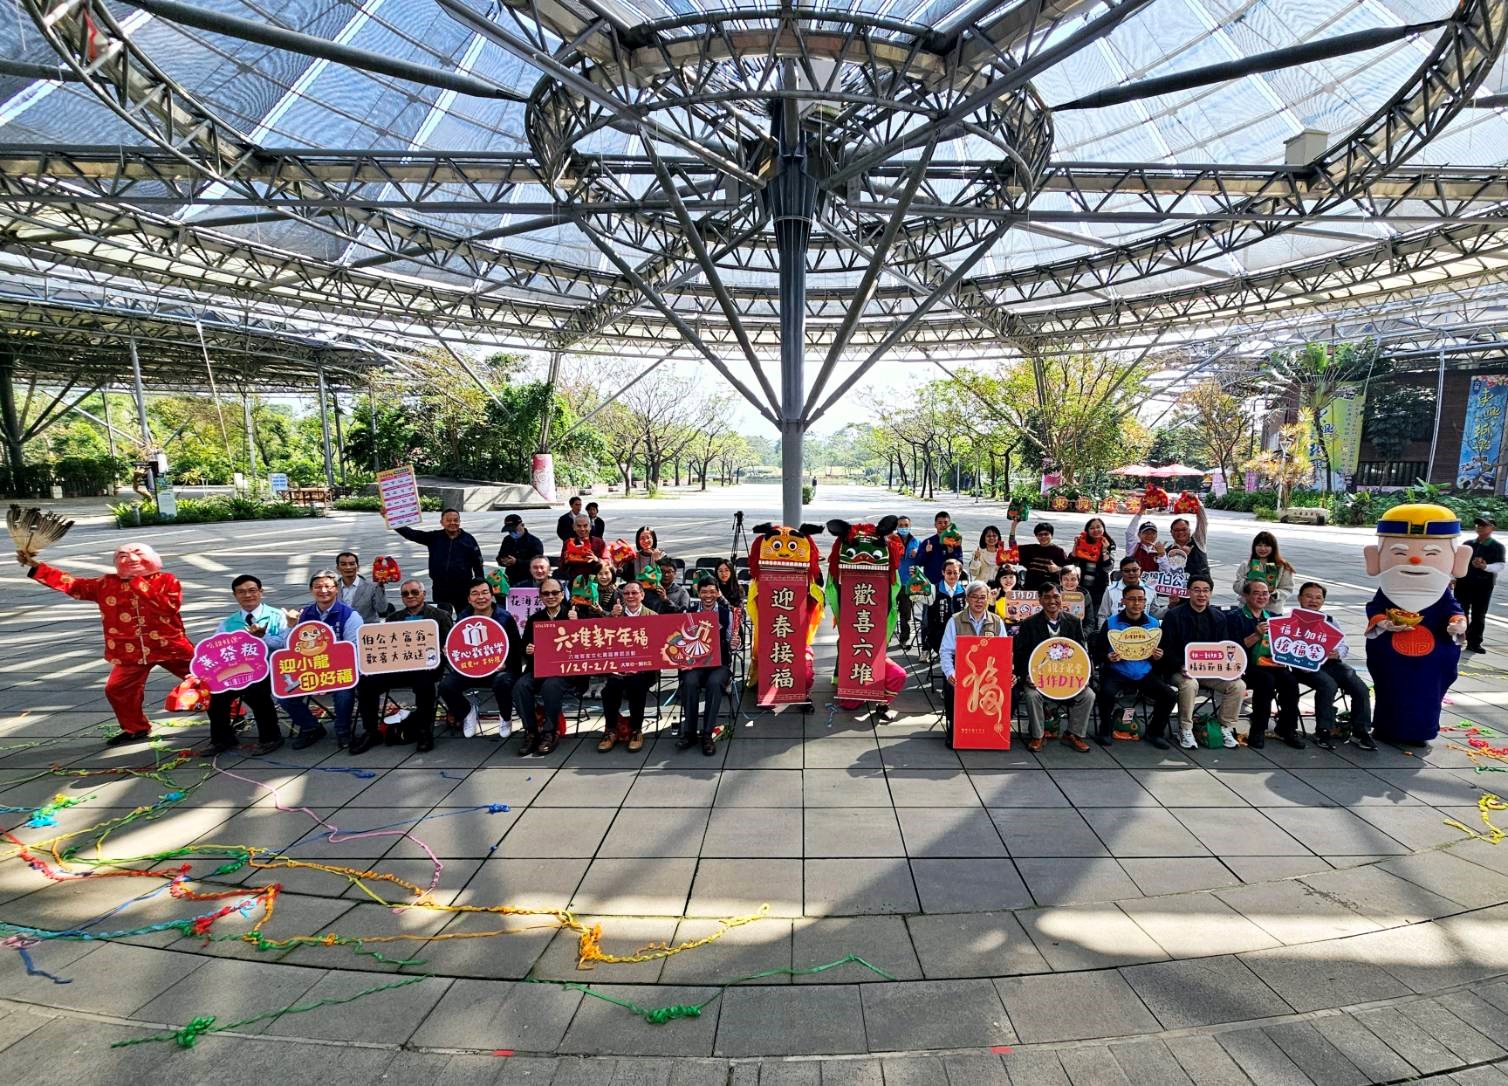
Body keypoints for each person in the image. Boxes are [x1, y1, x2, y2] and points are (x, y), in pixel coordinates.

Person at [18, 542, 194, 747]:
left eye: (138, 553)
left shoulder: (167, 580)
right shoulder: (106, 583)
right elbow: (73, 585)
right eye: (122, 556)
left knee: (208, 676)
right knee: (117, 688)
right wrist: (36, 566)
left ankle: (233, 713)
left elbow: (168, 607)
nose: (129, 558)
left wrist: (137, 582)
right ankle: (135, 727)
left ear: (154, 558)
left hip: (170, 646)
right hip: (129, 652)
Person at [1364, 503, 1470, 745]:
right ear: (1374, 557)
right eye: (1399, 553)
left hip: (1431, 658)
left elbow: (1454, 612)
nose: (1414, 558)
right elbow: (1375, 609)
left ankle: (1421, 731)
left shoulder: (1442, 594)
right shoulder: (1388, 590)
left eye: (1431, 553)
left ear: (1459, 559)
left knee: (1427, 694)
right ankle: (1384, 728)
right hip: (1392, 654)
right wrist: (1385, 623)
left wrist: (1458, 624)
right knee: (1390, 690)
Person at [352, 580, 452, 754]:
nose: (410, 596)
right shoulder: (394, 618)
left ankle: (424, 731)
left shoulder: (440, 615)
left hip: (427, 668)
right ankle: (371, 731)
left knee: (425, 685)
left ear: (423, 594)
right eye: (405, 594)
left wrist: (442, 651)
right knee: (367, 683)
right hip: (399, 667)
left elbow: (449, 644)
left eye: (414, 592)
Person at [198, 574, 288, 757]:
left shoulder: (278, 616)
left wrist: (263, 638)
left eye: (252, 590)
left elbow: (285, 644)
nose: (248, 595)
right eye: (241, 592)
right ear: (235, 596)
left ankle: (271, 737)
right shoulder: (228, 623)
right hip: (238, 671)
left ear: (261, 592)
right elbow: (215, 650)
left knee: (255, 692)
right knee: (216, 695)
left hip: (271, 669)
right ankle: (222, 739)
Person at [1156, 573, 1244, 749]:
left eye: (1206, 591)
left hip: (1210, 671)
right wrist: (1180, 665)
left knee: (1238, 685)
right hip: (1179, 669)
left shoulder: (1218, 617)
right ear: (1189, 592)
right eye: (1197, 590)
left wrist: (1231, 669)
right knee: (1189, 685)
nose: (1201, 594)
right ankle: (1185, 729)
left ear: (1210, 593)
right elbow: (1166, 648)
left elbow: (1225, 649)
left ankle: (1224, 727)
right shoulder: (1174, 616)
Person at [279, 569, 364, 749]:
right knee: (283, 695)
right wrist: (290, 626)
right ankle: (311, 727)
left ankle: (343, 731)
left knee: (343, 692)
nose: (323, 591)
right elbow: (288, 646)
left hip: (339, 669)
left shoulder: (349, 615)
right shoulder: (303, 615)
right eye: (318, 587)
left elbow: (354, 649)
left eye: (328, 586)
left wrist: (329, 667)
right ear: (311, 590)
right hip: (308, 669)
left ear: (337, 589)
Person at [1292, 582, 1375, 751]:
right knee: (1328, 685)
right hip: (1305, 666)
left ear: (1323, 601)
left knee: (1359, 688)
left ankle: (1361, 731)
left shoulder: (1330, 620)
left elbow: (1343, 646)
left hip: (1332, 663)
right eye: (1309, 596)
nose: (1313, 601)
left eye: (1318, 597)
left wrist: (1336, 653)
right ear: (1300, 598)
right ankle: (1323, 730)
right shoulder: (1290, 621)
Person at [439, 578, 523, 741]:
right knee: (446, 686)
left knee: (502, 682)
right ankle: (467, 712)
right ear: (469, 598)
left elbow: (515, 649)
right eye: (475, 594)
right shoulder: (464, 617)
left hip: (500, 670)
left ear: (492, 595)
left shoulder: (505, 617)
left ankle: (505, 717)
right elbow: (457, 644)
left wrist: (506, 664)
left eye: (485, 592)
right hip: (471, 668)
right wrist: (449, 649)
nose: (480, 597)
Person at [1091, 585, 1176, 748]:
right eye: (1132, 599)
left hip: (1144, 672)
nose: (1136, 603)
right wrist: (1107, 657)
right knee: (1106, 693)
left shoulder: (1153, 624)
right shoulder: (1111, 623)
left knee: (1169, 696)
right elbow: (1097, 652)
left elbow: (1163, 651)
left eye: (1141, 599)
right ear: (1123, 601)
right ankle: (1104, 731)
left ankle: (1155, 733)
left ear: (1145, 602)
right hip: (1117, 671)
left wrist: (1159, 656)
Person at [1013, 583, 1095, 752]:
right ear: (1040, 600)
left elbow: (1082, 652)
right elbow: (1020, 655)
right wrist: (1025, 676)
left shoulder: (1073, 622)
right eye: (1047, 597)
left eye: (1056, 596)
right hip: (1040, 679)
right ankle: (1038, 736)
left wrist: (1086, 676)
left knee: (1088, 695)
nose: (1052, 601)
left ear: (1061, 598)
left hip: (1066, 678)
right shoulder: (1029, 624)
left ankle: (1073, 734)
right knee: (1031, 694)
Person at [1226, 579, 1302, 750]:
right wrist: (1256, 635)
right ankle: (1258, 730)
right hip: (1244, 666)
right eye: (1256, 593)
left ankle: (1287, 728)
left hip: (1271, 664)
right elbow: (1233, 649)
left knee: (1290, 681)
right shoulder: (1234, 618)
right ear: (1246, 596)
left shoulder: (1274, 618)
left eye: (1265, 593)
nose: (1261, 597)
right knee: (1265, 681)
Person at [512, 578, 578, 757]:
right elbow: (524, 646)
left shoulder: (572, 615)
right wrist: (528, 649)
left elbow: (586, 643)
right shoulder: (535, 619)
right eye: (546, 593)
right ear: (540, 597)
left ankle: (550, 732)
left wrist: (576, 623)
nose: (550, 596)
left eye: (555, 593)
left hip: (565, 671)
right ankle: (531, 731)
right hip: (539, 668)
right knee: (520, 686)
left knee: (551, 685)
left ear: (562, 594)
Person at [599, 580, 663, 753]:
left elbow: (658, 650)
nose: (630, 596)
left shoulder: (653, 617)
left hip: (644, 670)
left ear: (642, 595)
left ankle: (636, 730)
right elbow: (604, 644)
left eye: (634, 593)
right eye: (626, 593)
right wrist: (612, 618)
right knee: (610, 688)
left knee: (636, 684)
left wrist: (641, 665)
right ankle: (610, 730)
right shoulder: (615, 615)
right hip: (618, 670)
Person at [939, 582, 1006, 747]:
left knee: (1012, 689)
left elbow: (1004, 652)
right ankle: (954, 728)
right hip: (963, 672)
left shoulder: (997, 621)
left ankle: (994, 730)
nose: (979, 601)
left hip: (990, 674)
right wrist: (950, 673)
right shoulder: (955, 620)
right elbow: (946, 651)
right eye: (974, 597)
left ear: (988, 598)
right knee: (951, 687)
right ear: (967, 599)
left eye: (983, 597)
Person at [678, 576, 733, 755]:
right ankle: (690, 731)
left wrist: (734, 643)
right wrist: (682, 661)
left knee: (714, 683)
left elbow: (733, 642)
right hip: (695, 664)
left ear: (718, 592)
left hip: (719, 664)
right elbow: (680, 642)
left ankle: (708, 733)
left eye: (712, 591)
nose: (708, 595)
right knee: (689, 682)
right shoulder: (689, 612)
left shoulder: (727, 613)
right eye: (703, 592)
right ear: (698, 593)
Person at [394, 508, 484, 616]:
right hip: (440, 588)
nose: (452, 523)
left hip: (463, 589)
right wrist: (392, 521)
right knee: (441, 617)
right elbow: (412, 534)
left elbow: (478, 564)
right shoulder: (434, 537)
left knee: (465, 618)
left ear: (460, 521)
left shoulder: (469, 540)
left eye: (456, 520)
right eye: (448, 520)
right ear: (442, 522)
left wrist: (481, 585)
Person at [1458, 515, 1504, 654]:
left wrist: (1485, 567)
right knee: (1460, 612)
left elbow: (1500, 565)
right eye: (1478, 525)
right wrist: (1454, 577)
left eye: (1484, 525)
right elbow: (1459, 562)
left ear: (1492, 528)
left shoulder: (1497, 547)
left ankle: (1474, 642)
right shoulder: (1468, 544)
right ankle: (1457, 639)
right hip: (1464, 583)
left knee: (1479, 614)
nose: (1480, 528)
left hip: (1483, 585)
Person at [1232, 531, 1295, 607]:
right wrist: (1248, 584)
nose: (1262, 549)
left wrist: (1275, 593)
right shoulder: (1246, 564)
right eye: (1259, 545)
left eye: (1267, 546)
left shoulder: (1282, 566)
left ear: (1273, 547)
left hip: (1272, 610)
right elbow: (1236, 587)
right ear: (1254, 547)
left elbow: (1287, 589)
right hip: (1247, 608)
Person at [1071, 517, 1115, 621]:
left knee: (1095, 616)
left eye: (1098, 527)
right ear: (1087, 530)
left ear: (1103, 528)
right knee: (1078, 616)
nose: (1096, 530)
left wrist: (1104, 550)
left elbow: (1108, 568)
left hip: (1099, 587)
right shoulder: (1082, 541)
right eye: (1092, 528)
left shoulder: (1109, 543)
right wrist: (1076, 545)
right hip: (1080, 586)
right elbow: (1072, 561)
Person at [924, 558, 968, 653]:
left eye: (955, 573)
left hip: (959, 633)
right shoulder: (934, 590)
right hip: (939, 633)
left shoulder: (965, 592)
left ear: (960, 573)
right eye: (949, 572)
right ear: (943, 573)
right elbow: (915, 597)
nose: (952, 576)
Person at [1013, 521, 1070, 592]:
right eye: (1040, 535)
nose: (1043, 537)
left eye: (1046, 534)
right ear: (1036, 537)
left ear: (1051, 535)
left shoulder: (1058, 551)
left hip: (1049, 590)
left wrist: (1058, 569)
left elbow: (1069, 571)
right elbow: (1013, 547)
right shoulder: (1031, 549)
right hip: (1030, 588)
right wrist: (1013, 526)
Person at [1104, 556, 1164, 621]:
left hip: (1143, 630)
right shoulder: (1110, 590)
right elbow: (1103, 615)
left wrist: (1170, 607)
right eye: (1127, 571)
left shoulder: (1150, 590)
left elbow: (1155, 614)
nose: (1131, 573)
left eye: (1134, 570)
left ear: (1140, 569)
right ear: (1121, 572)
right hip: (1117, 629)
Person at [335, 550, 387, 621]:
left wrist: (381, 586)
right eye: (343, 564)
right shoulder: (332, 587)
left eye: (352, 564)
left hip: (365, 629)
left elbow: (382, 609)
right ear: (338, 568)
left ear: (358, 567)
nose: (348, 567)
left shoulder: (372, 586)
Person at [894, 515, 921, 647]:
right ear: (896, 527)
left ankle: (904, 638)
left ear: (910, 526)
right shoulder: (890, 541)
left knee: (905, 613)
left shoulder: (916, 542)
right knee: (889, 612)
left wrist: (918, 554)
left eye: (906, 525)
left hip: (908, 583)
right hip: (892, 582)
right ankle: (885, 639)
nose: (903, 528)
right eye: (900, 525)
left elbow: (921, 562)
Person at [918, 511, 963, 585]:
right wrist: (926, 552)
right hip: (931, 583)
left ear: (949, 525)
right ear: (935, 525)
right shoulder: (928, 542)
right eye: (940, 523)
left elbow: (960, 564)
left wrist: (951, 552)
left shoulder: (954, 542)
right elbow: (919, 562)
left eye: (945, 523)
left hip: (949, 584)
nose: (943, 525)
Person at [559, 515, 608, 582]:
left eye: (585, 526)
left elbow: (607, 563)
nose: (582, 529)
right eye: (579, 526)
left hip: (595, 582)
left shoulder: (599, 542)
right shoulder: (568, 543)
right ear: (574, 527)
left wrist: (596, 559)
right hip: (575, 582)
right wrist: (566, 561)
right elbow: (562, 568)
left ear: (590, 527)